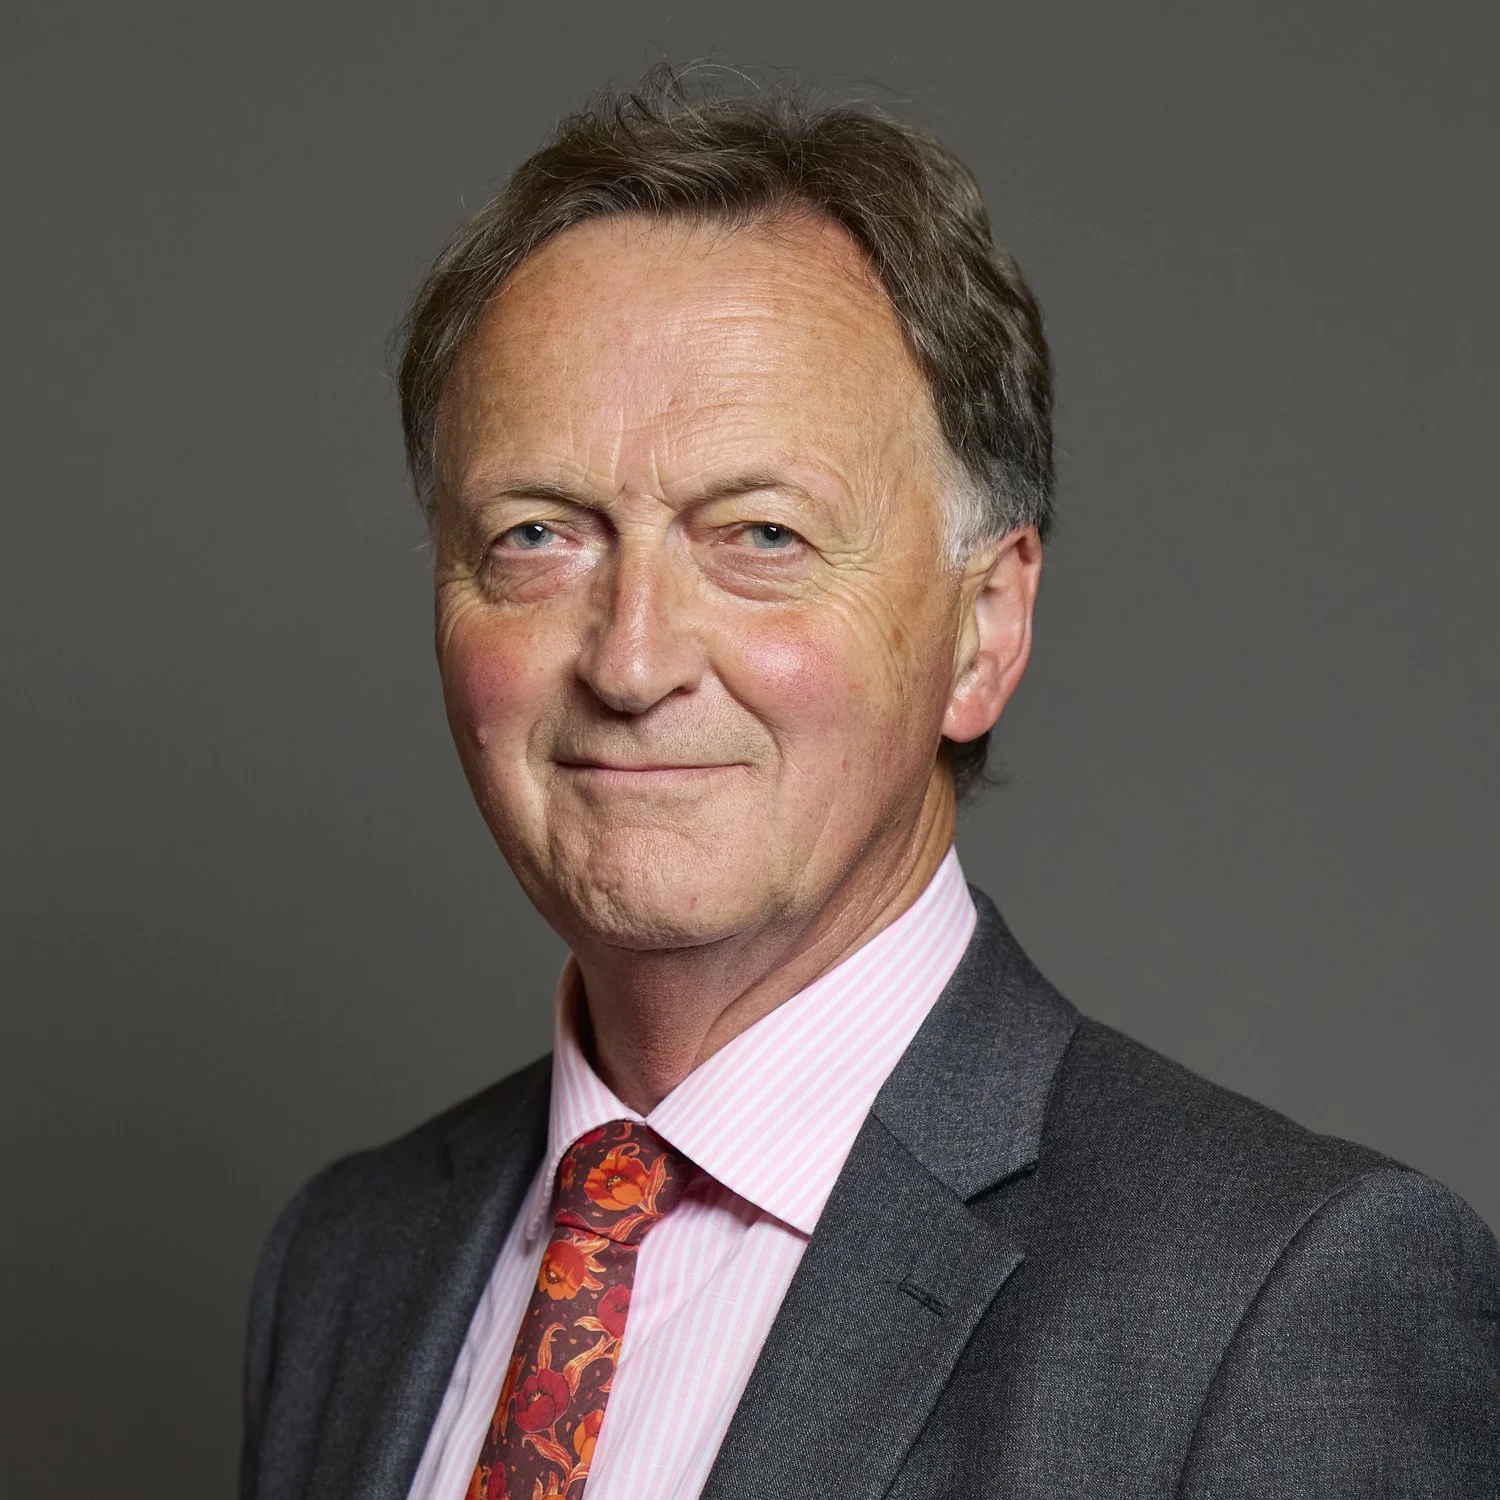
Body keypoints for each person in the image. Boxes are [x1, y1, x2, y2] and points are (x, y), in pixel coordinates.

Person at [240, 71, 1500, 1500]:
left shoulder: (1276, 1304)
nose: (633, 658)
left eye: (761, 534)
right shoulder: (349, 1263)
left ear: (983, 630)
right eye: (538, 535)